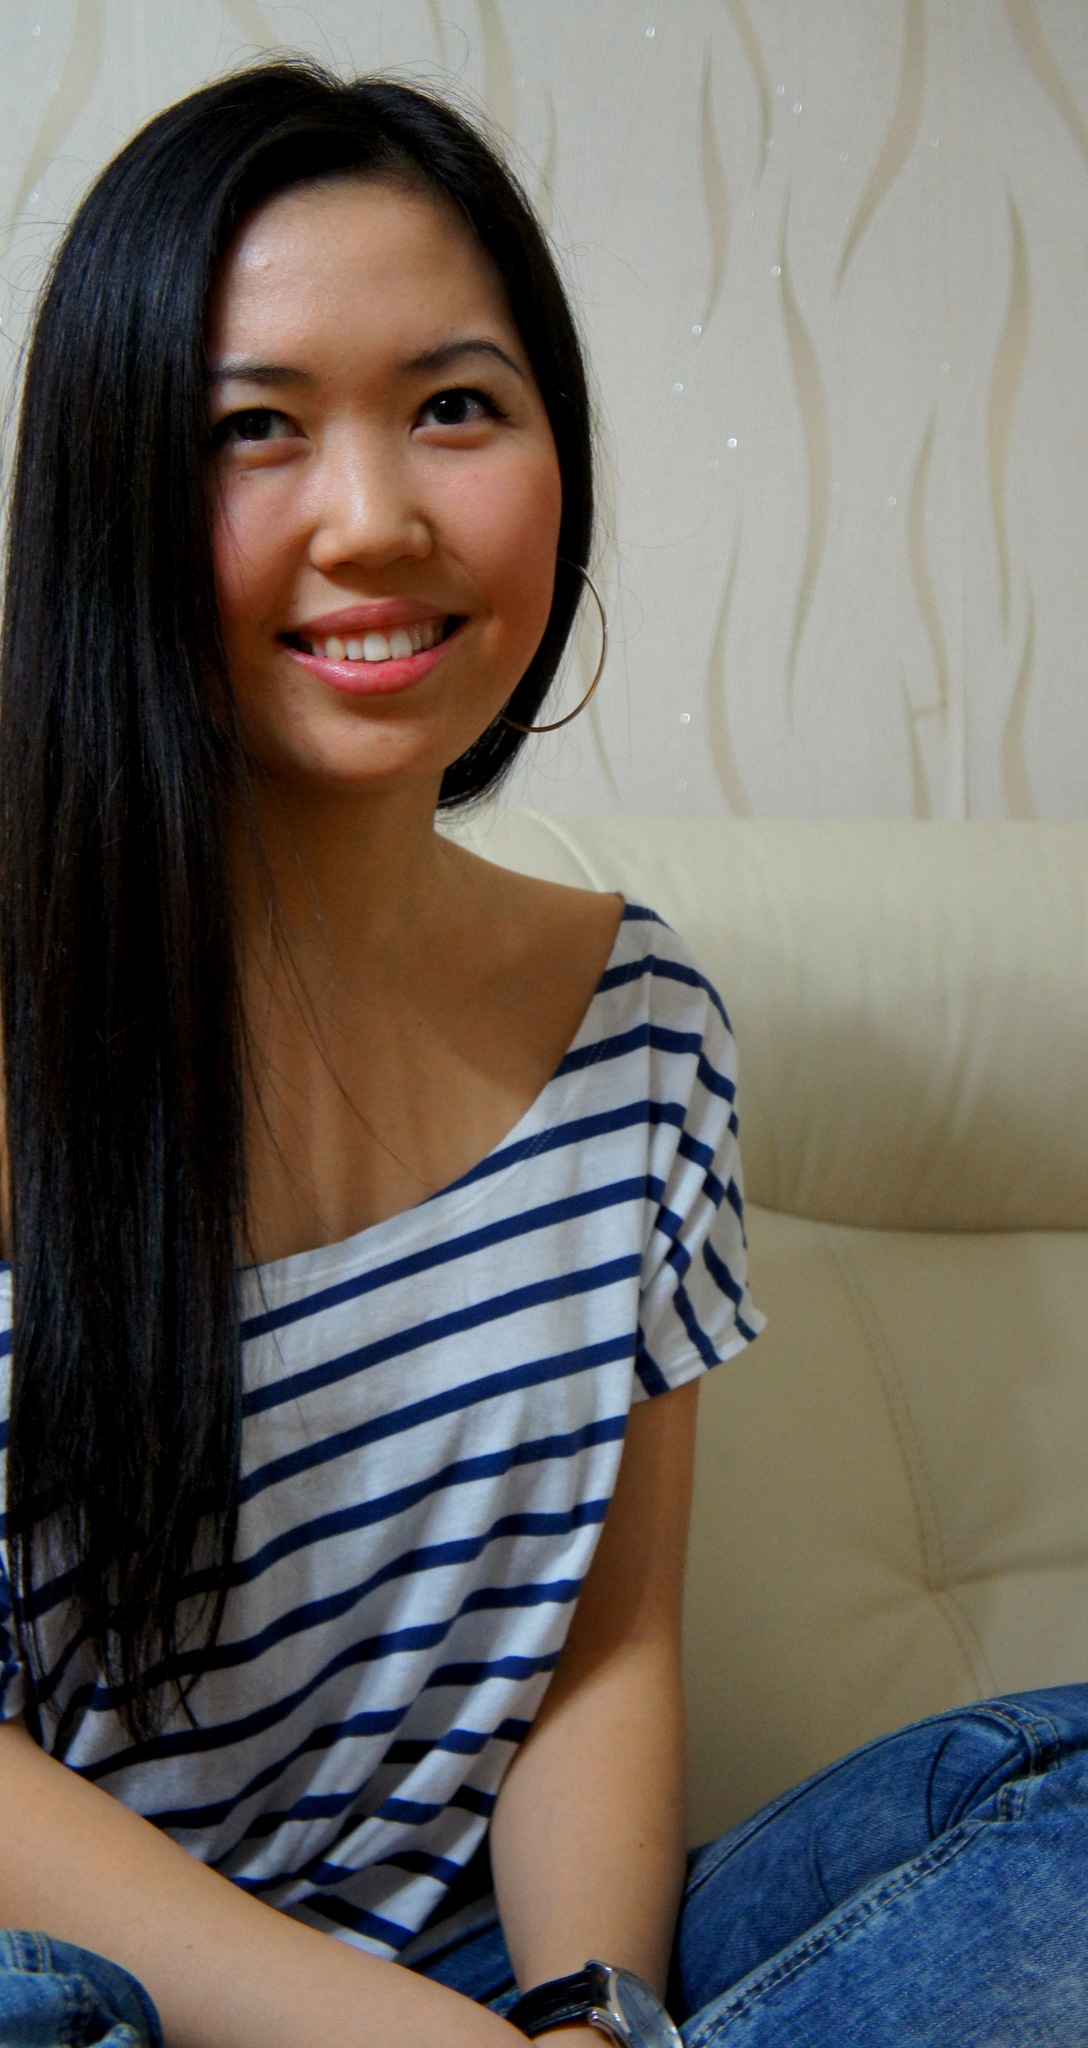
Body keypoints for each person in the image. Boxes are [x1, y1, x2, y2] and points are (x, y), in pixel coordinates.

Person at [0, 58, 1086, 2048]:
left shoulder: (641, 1028)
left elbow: (598, 1653)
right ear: (111, 494)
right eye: (252, 428)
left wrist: (585, 2017)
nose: (375, 518)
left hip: (497, 1987)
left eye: (454, 407)